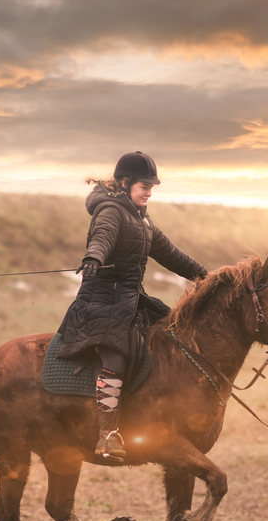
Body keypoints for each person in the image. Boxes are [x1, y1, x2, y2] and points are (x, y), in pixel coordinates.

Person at [56, 151, 208, 463]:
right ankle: (108, 434)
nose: (150, 191)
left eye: (152, 186)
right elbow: (102, 237)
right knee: (116, 353)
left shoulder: (143, 220)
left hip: (130, 300)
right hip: (100, 302)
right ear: (125, 183)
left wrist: (211, 278)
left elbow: (173, 256)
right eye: (144, 185)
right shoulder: (111, 211)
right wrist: (93, 258)